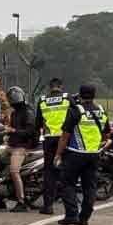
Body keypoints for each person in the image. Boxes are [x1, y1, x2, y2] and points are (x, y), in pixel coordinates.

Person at [55, 84, 112, 225]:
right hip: (93, 155)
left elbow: (65, 135)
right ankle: (84, 217)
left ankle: (71, 215)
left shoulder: (75, 110)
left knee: (67, 183)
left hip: (75, 153)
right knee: (90, 187)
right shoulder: (101, 110)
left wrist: (58, 154)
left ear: (80, 95)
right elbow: (106, 134)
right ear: (94, 95)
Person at [0, 86, 36, 212]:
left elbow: (29, 132)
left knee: (14, 171)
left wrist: (13, 131)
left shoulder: (28, 112)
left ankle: (21, 201)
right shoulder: (14, 113)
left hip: (22, 146)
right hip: (12, 145)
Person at [36, 78, 70, 214]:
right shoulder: (67, 99)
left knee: (49, 173)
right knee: (66, 172)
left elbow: (37, 123)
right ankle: (69, 206)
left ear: (50, 87)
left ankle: (48, 206)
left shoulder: (43, 100)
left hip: (49, 139)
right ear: (61, 86)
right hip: (65, 138)